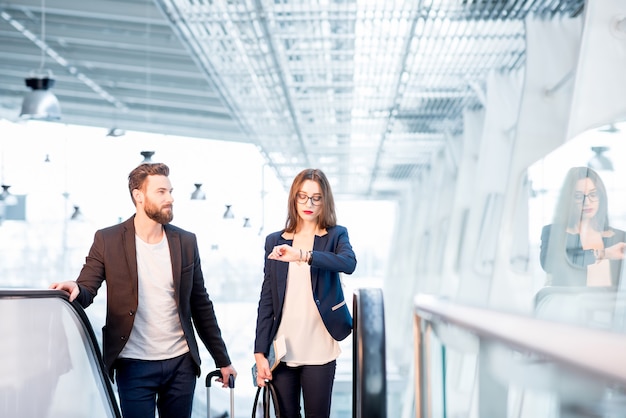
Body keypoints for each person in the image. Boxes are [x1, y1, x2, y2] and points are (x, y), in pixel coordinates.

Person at [50, 162, 237, 418]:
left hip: (180, 362)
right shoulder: (108, 240)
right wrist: (74, 287)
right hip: (133, 364)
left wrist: (222, 360)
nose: (170, 198)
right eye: (161, 192)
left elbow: (200, 303)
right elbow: (87, 288)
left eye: (170, 191)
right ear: (139, 196)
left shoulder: (185, 242)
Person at [253, 168, 357, 417]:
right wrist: (259, 352)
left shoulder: (335, 235)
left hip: (319, 346)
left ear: (325, 201)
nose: (309, 203)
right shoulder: (275, 241)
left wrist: (302, 255)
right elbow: (267, 299)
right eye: (302, 196)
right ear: (294, 198)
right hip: (283, 349)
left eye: (316, 197)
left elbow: (348, 263)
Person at [540, 166, 626, 287]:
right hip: (568, 302)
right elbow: (550, 264)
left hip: (607, 303)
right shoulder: (553, 232)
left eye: (593, 194)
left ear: (601, 197)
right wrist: (604, 254)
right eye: (579, 196)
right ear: (569, 199)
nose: (587, 202)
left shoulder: (619, 237)